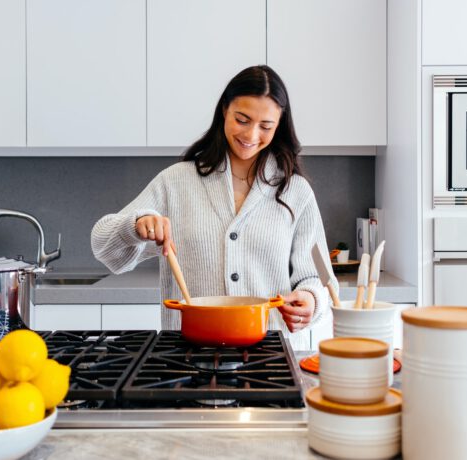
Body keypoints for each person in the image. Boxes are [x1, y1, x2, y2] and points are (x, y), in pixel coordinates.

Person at [91, 65, 335, 350]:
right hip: (186, 357)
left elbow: (316, 277)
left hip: (269, 358)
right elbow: (103, 246)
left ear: (279, 126)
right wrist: (135, 226)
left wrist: (310, 299)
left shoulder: (295, 191)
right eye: (242, 120)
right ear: (224, 111)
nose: (252, 134)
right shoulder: (177, 181)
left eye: (266, 126)